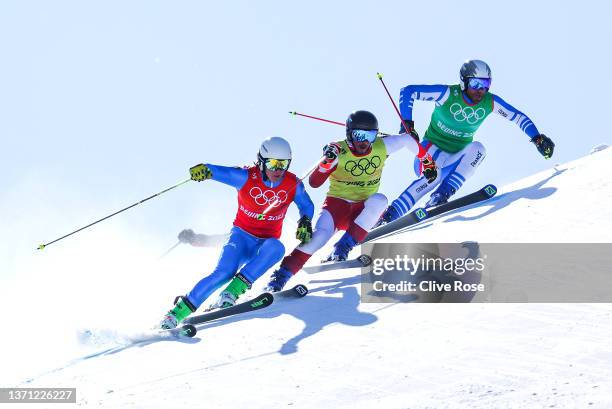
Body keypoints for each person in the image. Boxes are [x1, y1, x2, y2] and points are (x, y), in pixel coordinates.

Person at [264, 110, 435, 292]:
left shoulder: (381, 146)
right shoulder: (338, 151)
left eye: (369, 135)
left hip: (362, 210)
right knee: (318, 238)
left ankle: (343, 247)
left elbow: (407, 140)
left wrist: (427, 161)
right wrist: (327, 163)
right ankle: (280, 277)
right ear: (349, 134)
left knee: (380, 200)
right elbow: (314, 183)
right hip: (337, 207)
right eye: (358, 135)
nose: (363, 141)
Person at [159, 137, 314, 329]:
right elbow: (220, 172)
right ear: (261, 161)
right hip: (241, 238)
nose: (277, 170)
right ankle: (175, 314)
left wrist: (305, 220)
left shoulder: (292, 184)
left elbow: (307, 205)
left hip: (264, 245)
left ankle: (231, 292)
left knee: (277, 247)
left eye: (283, 164)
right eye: (273, 163)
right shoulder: (246, 177)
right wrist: (205, 170)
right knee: (224, 272)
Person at [381, 59, 555, 222]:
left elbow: (516, 116)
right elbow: (408, 91)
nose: (481, 90)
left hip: (455, 159)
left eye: (485, 84)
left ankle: (441, 195)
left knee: (479, 149)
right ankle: (390, 215)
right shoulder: (447, 94)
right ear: (464, 82)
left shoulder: (489, 102)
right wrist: (407, 125)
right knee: (435, 174)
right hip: (430, 152)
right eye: (475, 84)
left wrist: (537, 138)